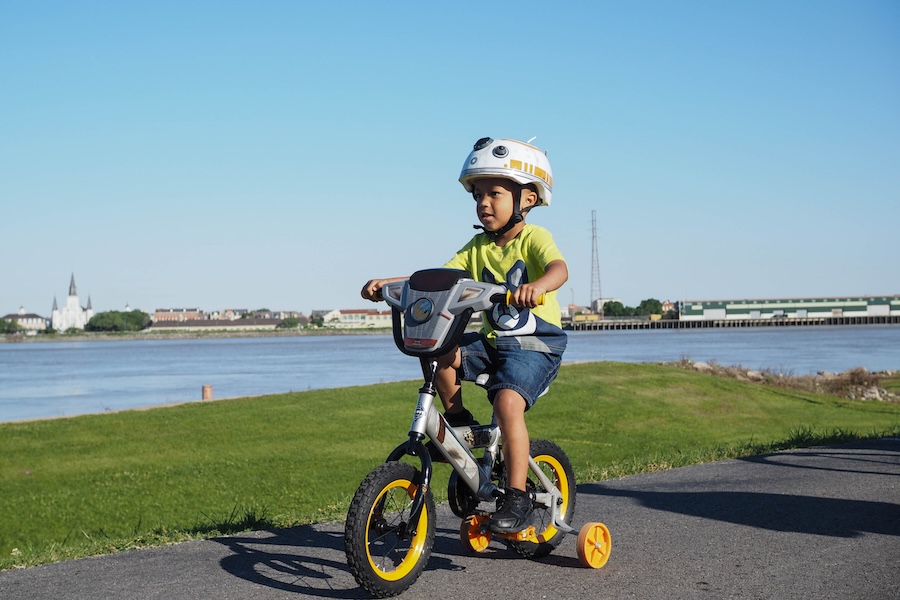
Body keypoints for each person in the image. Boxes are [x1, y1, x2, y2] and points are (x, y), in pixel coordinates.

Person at [361, 137, 568, 534]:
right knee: (438, 349)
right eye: (478, 195)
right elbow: (436, 280)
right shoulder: (475, 248)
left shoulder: (534, 238)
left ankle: (519, 495)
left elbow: (560, 269)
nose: (483, 203)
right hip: (493, 345)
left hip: (536, 345)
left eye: (494, 194)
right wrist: (391, 283)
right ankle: (457, 418)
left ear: (526, 198)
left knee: (508, 404)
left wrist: (539, 286)